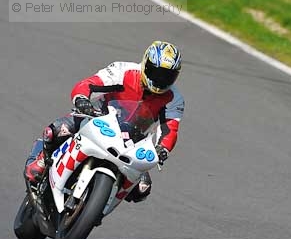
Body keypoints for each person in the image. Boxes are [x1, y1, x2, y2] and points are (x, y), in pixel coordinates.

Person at [24, 40, 184, 203]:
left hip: (132, 141)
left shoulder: (174, 99)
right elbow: (91, 83)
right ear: (145, 63)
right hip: (97, 117)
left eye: (167, 76)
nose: (160, 79)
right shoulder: (124, 71)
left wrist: (162, 149)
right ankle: (42, 160)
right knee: (57, 130)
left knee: (143, 188)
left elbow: (170, 130)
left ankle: (100, 204)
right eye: (156, 72)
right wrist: (82, 99)